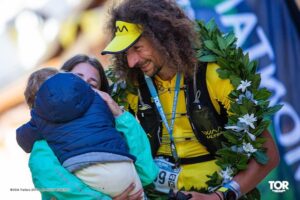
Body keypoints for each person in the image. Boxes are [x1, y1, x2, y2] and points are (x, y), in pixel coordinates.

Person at [100, 0, 280, 199]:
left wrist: (219, 197)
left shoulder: (214, 74)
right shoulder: (131, 87)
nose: (131, 61)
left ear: (162, 37)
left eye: (138, 48)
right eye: (126, 52)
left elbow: (268, 153)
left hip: (218, 189)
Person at [25, 55, 156, 200]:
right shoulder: (43, 147)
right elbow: (59, 187)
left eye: (92, 85)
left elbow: (146, 173)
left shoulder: (110, 130)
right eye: (78, 80)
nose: (84, 89)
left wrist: (120, 115)